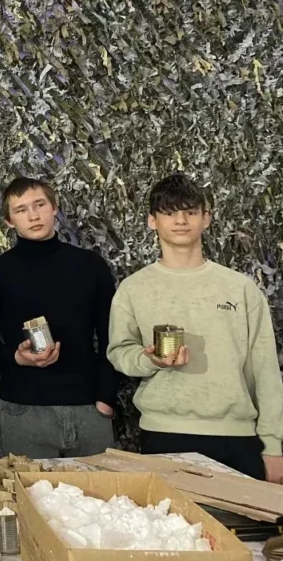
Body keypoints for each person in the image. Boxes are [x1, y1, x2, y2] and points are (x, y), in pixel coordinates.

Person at [107, 173, 283, 481]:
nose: (181, 221)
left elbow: (266, 370)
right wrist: (150, 359)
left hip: (236, 437)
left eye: (190, 211)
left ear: (206, 218)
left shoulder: (240, 288)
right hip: (163, 433)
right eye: (170, 212)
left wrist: (273, 446)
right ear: (152, 221)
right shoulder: (134, 288)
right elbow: (119, 352)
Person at [0, 177, 118, 458]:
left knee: (100, 488)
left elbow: (112, 335)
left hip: (88, 408)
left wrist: (106, 398)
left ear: (54, 207)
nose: (33, 216)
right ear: (9, 221)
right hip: (23, 411)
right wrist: (16, 357)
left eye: (39, 205)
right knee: (26, 488)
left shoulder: (90, 266)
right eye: (21, 210)